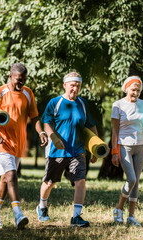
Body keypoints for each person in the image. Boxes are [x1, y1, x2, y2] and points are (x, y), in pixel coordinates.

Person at [0, 63, 48, 229]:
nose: (21, 83)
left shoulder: (28, 93)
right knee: (12, 175)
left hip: (19, 144)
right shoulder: (0, 92)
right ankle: (18, 215)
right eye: (18, 80)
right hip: (2, 143)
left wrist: (41, 133)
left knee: (4, 180)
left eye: (23, 80)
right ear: (10, 76)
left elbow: (34, 117)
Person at [37, 71, 98, 228]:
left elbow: (91, 125)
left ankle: (76, 217)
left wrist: (95, 147)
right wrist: (53, 137)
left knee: (80, 180)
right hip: (57, 150)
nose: (75, 89)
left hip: (77, 150)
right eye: (72, 85)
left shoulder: (83, 104)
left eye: (78, 86)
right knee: (50, 182)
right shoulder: (55, 102)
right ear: (65, 85)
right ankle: (42, 206)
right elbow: (47, 123)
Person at [111, 76, 143, 226]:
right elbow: (114, 130)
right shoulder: (118, 105)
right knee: (131, 179)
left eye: (138, 90)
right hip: (124, 146)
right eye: (133, 89)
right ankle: (119, 209)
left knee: (136, 182)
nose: (136, 93)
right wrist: (114, 151)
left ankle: (131, 216)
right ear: (126, 89)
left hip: (141, 145)